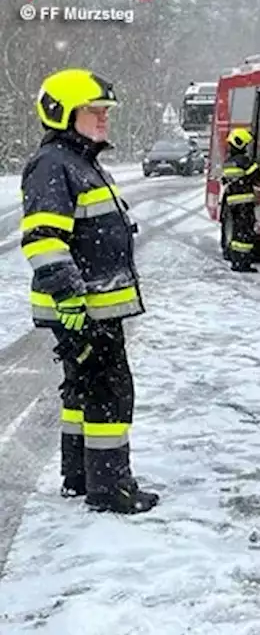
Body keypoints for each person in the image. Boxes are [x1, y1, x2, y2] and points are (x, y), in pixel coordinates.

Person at [21, 67, 157, 514]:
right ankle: (110, 487)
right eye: (93, 110)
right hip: (83, 306)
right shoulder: (54, 165)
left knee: (83, 389)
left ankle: (79, 476)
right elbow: (43, 240)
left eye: (104, 111)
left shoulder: (79, 162)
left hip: (90, 305)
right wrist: (70, 299)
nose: (103, 118)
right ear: (63, 114)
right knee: (109, 391)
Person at [220, 127, 260, 272]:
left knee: (238, 232)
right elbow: (256, 176)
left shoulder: (228, 162)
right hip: (244, 203)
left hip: (233, 202)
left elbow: (226, 180)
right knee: (245, 233)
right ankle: (243, 263)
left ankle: (236, 260)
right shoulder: (243, 161)